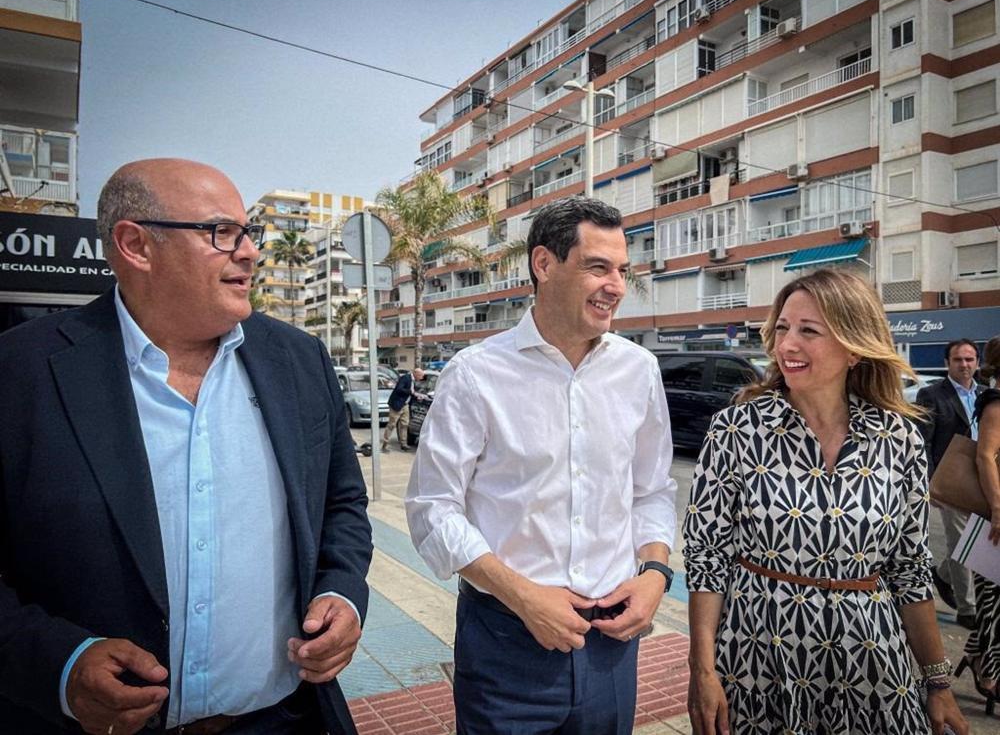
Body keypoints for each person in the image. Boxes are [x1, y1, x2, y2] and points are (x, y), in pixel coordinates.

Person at [0, 159, 373, 735]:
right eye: (222, 232)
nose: (250, 252)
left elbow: (342, 505)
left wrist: (342, 594)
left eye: (250, 232)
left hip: (280, 720)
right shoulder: (21, 371)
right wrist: (59, 664)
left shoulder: (299, 360)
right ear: (136, 246)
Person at [406, 197, 676, 734]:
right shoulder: (475, 374)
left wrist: (655, 574)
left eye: (622, 270)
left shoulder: (639, 370)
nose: (616, 286)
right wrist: (523, 596)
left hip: (611, 645)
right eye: (597, 267)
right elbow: (432, 509)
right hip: (507, 644)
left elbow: (651, 490)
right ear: (544, 264)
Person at [684, 269, 967, 735]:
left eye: (808, 331)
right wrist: (702, 670)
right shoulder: (737, 429)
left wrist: (937, 683)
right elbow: (707, 557)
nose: (786, 345)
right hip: (758, 657)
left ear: (854, 348)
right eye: (782, 328)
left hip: (871, 661)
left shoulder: (899, 439)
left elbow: (909, 568)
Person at [917, 339, 986, 629]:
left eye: (969, 359)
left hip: (984, 477)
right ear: (947, 363)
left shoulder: (985, 394)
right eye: (958, 359)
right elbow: (922, 440)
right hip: (950, 478)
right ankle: (967, 608)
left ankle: (943, 574)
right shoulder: (931, 394)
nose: (964, 365)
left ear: (978, 362)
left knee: (976, 541)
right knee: (960, 539)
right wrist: (930, 481)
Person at [955, 334, 1000, 716]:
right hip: (994, 516)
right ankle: (992, 676)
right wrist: (998, 509)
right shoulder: (996, 404)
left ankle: (975, 654)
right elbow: (985, 456)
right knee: (994, 600)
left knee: (994, 602)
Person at [381, 367, 425, 452]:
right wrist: (410, 392)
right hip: (397, 404)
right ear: (416, 374)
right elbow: (399, 389)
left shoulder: (413, 381)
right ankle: (385, 444)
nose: (421, 378)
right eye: (421, 376)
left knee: (404, 424)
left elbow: (411, 392)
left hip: (405, 405)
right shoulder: (405, 378)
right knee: (392, 424)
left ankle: (403, 444)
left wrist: (416, 396)